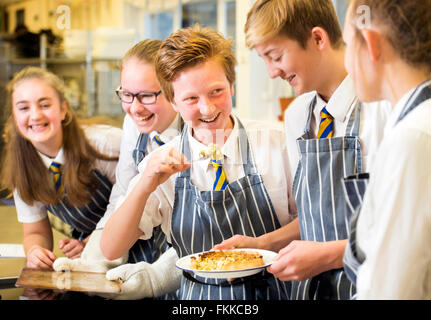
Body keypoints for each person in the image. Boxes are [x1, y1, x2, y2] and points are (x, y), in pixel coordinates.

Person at [101, 25, 297, 300]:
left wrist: (262, 244)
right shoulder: (161, 164)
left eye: (216, 91)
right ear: (173, 102)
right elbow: (111, 248)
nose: (207, 109)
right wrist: (145, 184)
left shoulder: (277, 143)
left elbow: (313, 221)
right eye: (191, 98)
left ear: (232, 85)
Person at [214, 0, 391, 300]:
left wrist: (330, 255)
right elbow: (315, 216)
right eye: (264, 61)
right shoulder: (297, 116)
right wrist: (262, 244)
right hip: (312, 290)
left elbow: (406, 228)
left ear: (318, 39)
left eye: (276, 56)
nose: (271, 73)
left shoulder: (382, 107)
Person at [53, 40, 183, 300]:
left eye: (147, 95)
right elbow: (123, 192)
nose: (135, 108)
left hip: (185, 260)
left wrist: (156, 278)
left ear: (173, 89)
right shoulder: (133, 124)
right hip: (144, 244)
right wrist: (95, 259)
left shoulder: (195, 136)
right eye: (127, 94)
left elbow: (206, 229)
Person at [342, 0, 431, 299]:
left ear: (371, 43)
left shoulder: (413, 139)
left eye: (345, 45)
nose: (346, 63)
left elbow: (390, 291)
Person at [0, 66, 121, 270]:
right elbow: (35, 233)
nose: (35, 115)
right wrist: (35, 251)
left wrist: (93, 243)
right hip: (93, 257)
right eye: (23, 108)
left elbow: (138, 204)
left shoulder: (104, 144)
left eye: (44, 104)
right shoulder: (22, 170)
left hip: (139, 244)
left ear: (63, 109)